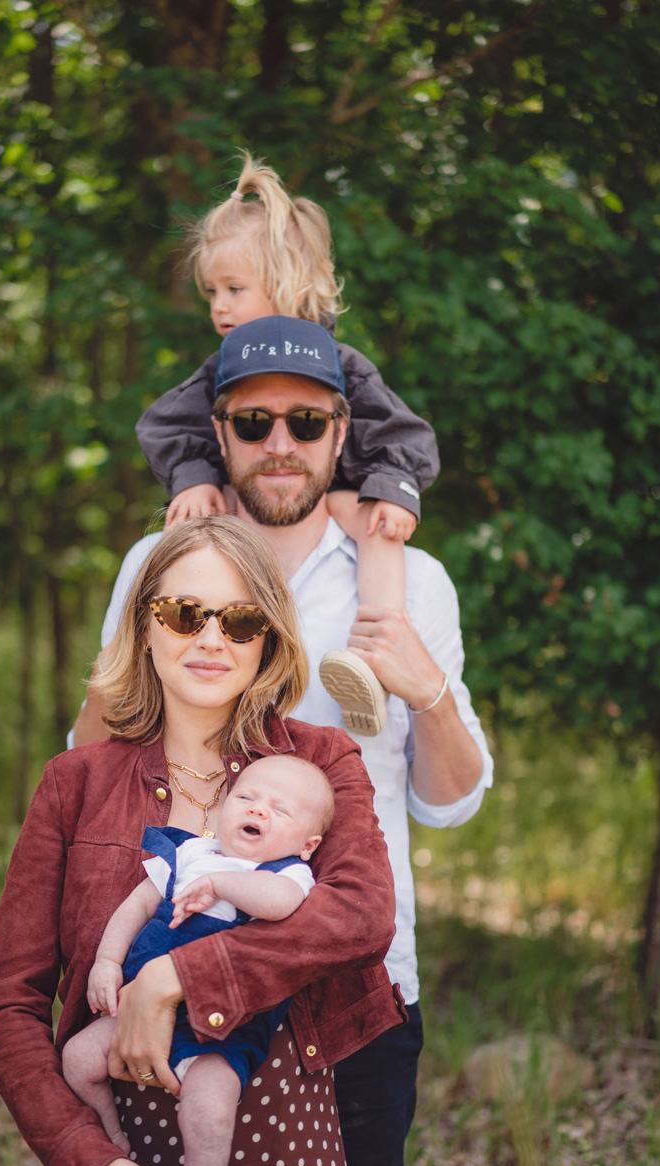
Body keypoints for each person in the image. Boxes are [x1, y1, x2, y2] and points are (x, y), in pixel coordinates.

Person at [74, 315, 494, 1166]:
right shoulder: (158, 566)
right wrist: (132, 650)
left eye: (306, 423)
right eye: (253, 421)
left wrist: (425, 688)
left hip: (357, 992)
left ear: (344, 434)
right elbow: (97, 761)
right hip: (169, 976)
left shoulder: (409, 582)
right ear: (215, 432)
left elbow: (450, 800)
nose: (280, 445)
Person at [0, 516, 407, 1166]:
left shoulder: (319, 759)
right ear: (144, 627)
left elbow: (360, 915)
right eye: (184, 614)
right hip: (124, 1157)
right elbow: (8, 1005)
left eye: (239, 621)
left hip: (284, 1143)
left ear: (269, 641)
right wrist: (91, 1161)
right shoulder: (73, 784)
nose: (211, 638)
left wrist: (179, 978)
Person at [135, 154, 441, 737]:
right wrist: (195, 475)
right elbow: (167, 425)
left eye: (233, 289)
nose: (218, 306)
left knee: (376, 525)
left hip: (337, 499)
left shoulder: (344, 368)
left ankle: (374, 658)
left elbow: (402, 434)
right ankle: (177, 662)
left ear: (287, 286)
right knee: (198, 525)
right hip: (251, 505)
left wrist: (394, 490)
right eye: (211, 292)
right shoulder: (218, 370)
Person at [62, 755, 337, 1166]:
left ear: (307, 843)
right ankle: (112, 1135)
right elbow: (137, 907)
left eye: (281, 809)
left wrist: (223, 886)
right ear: (224, 807)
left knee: (210, 1113)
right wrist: (106, 961)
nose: (259, 809)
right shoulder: (190, 853)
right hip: (137, 1007)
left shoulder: (287, 873)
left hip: (220, 1032)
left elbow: (278, 905)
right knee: (77, 1058)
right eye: (248, 797)